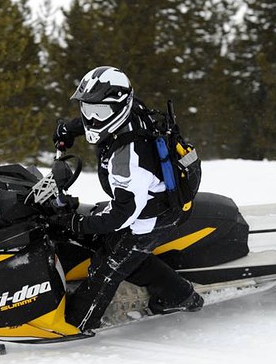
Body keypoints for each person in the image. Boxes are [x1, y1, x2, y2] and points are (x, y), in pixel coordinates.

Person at [51, 66, 203, 332]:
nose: (92, 119)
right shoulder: (126, 112)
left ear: (120, 106)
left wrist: (75, 223)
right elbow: (95, 120)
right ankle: (176, 292)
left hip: (152, 213)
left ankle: (77, 323)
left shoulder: (129, 159)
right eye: (87, 110)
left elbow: (121, 215)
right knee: (120, 252)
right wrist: (70, 128)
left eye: (99, 112)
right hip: (145, 199)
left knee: (107, 266)